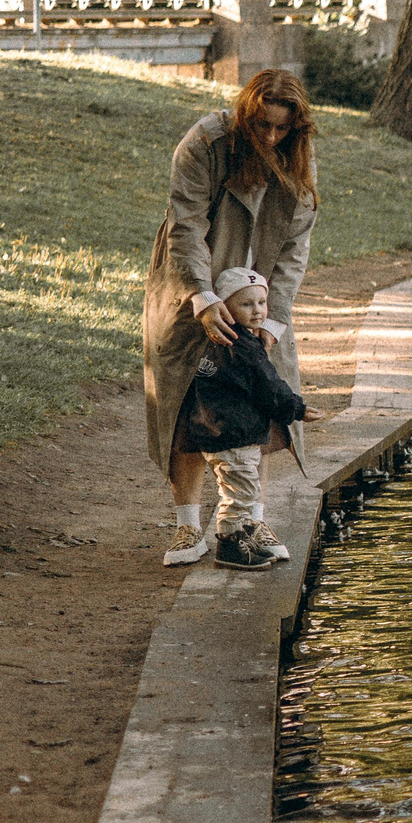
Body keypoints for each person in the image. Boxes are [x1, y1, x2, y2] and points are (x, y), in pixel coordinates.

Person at [146, 69, 319, 567]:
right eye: (261, 125)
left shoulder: (299, 158)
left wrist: (272, 322)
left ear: (296, 128)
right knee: (184, 400)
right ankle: (186, 527)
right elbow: (185, 225)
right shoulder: (205, 142)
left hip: (257, 292)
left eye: (280, 129)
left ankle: (248, 521)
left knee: (258, 402)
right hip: (191, 278)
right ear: (245, 114)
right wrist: (199, 295)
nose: (269, 137)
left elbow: (293, 251)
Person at [171, 266, 307, 569]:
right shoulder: (245, 348)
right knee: (241, 489)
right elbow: (270, 386)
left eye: (261, 303)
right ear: (226, 308)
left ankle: (243, 536)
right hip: (237, 435)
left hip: (224, 433)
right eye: (246, 304)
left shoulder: (226, 344)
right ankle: (231, 546)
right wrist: (298, 409)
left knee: (238, 488)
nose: (257, 311)